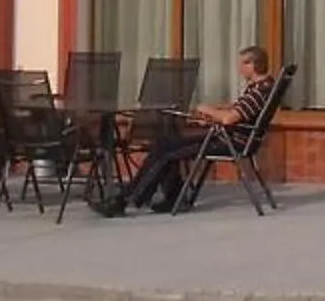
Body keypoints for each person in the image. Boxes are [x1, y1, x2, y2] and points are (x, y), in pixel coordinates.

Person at [100, 46, 277, 216]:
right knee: (167, 143)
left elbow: (229, 118)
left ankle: (125, 200)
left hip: (229, 143)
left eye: (242, 64)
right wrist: (214, 114)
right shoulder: (264, 86)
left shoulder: (259, 91)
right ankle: (173, 197)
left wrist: (207, 110)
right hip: (229, 138)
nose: (239, 69)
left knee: (166, 148)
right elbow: (236, 111)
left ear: (252, 65)